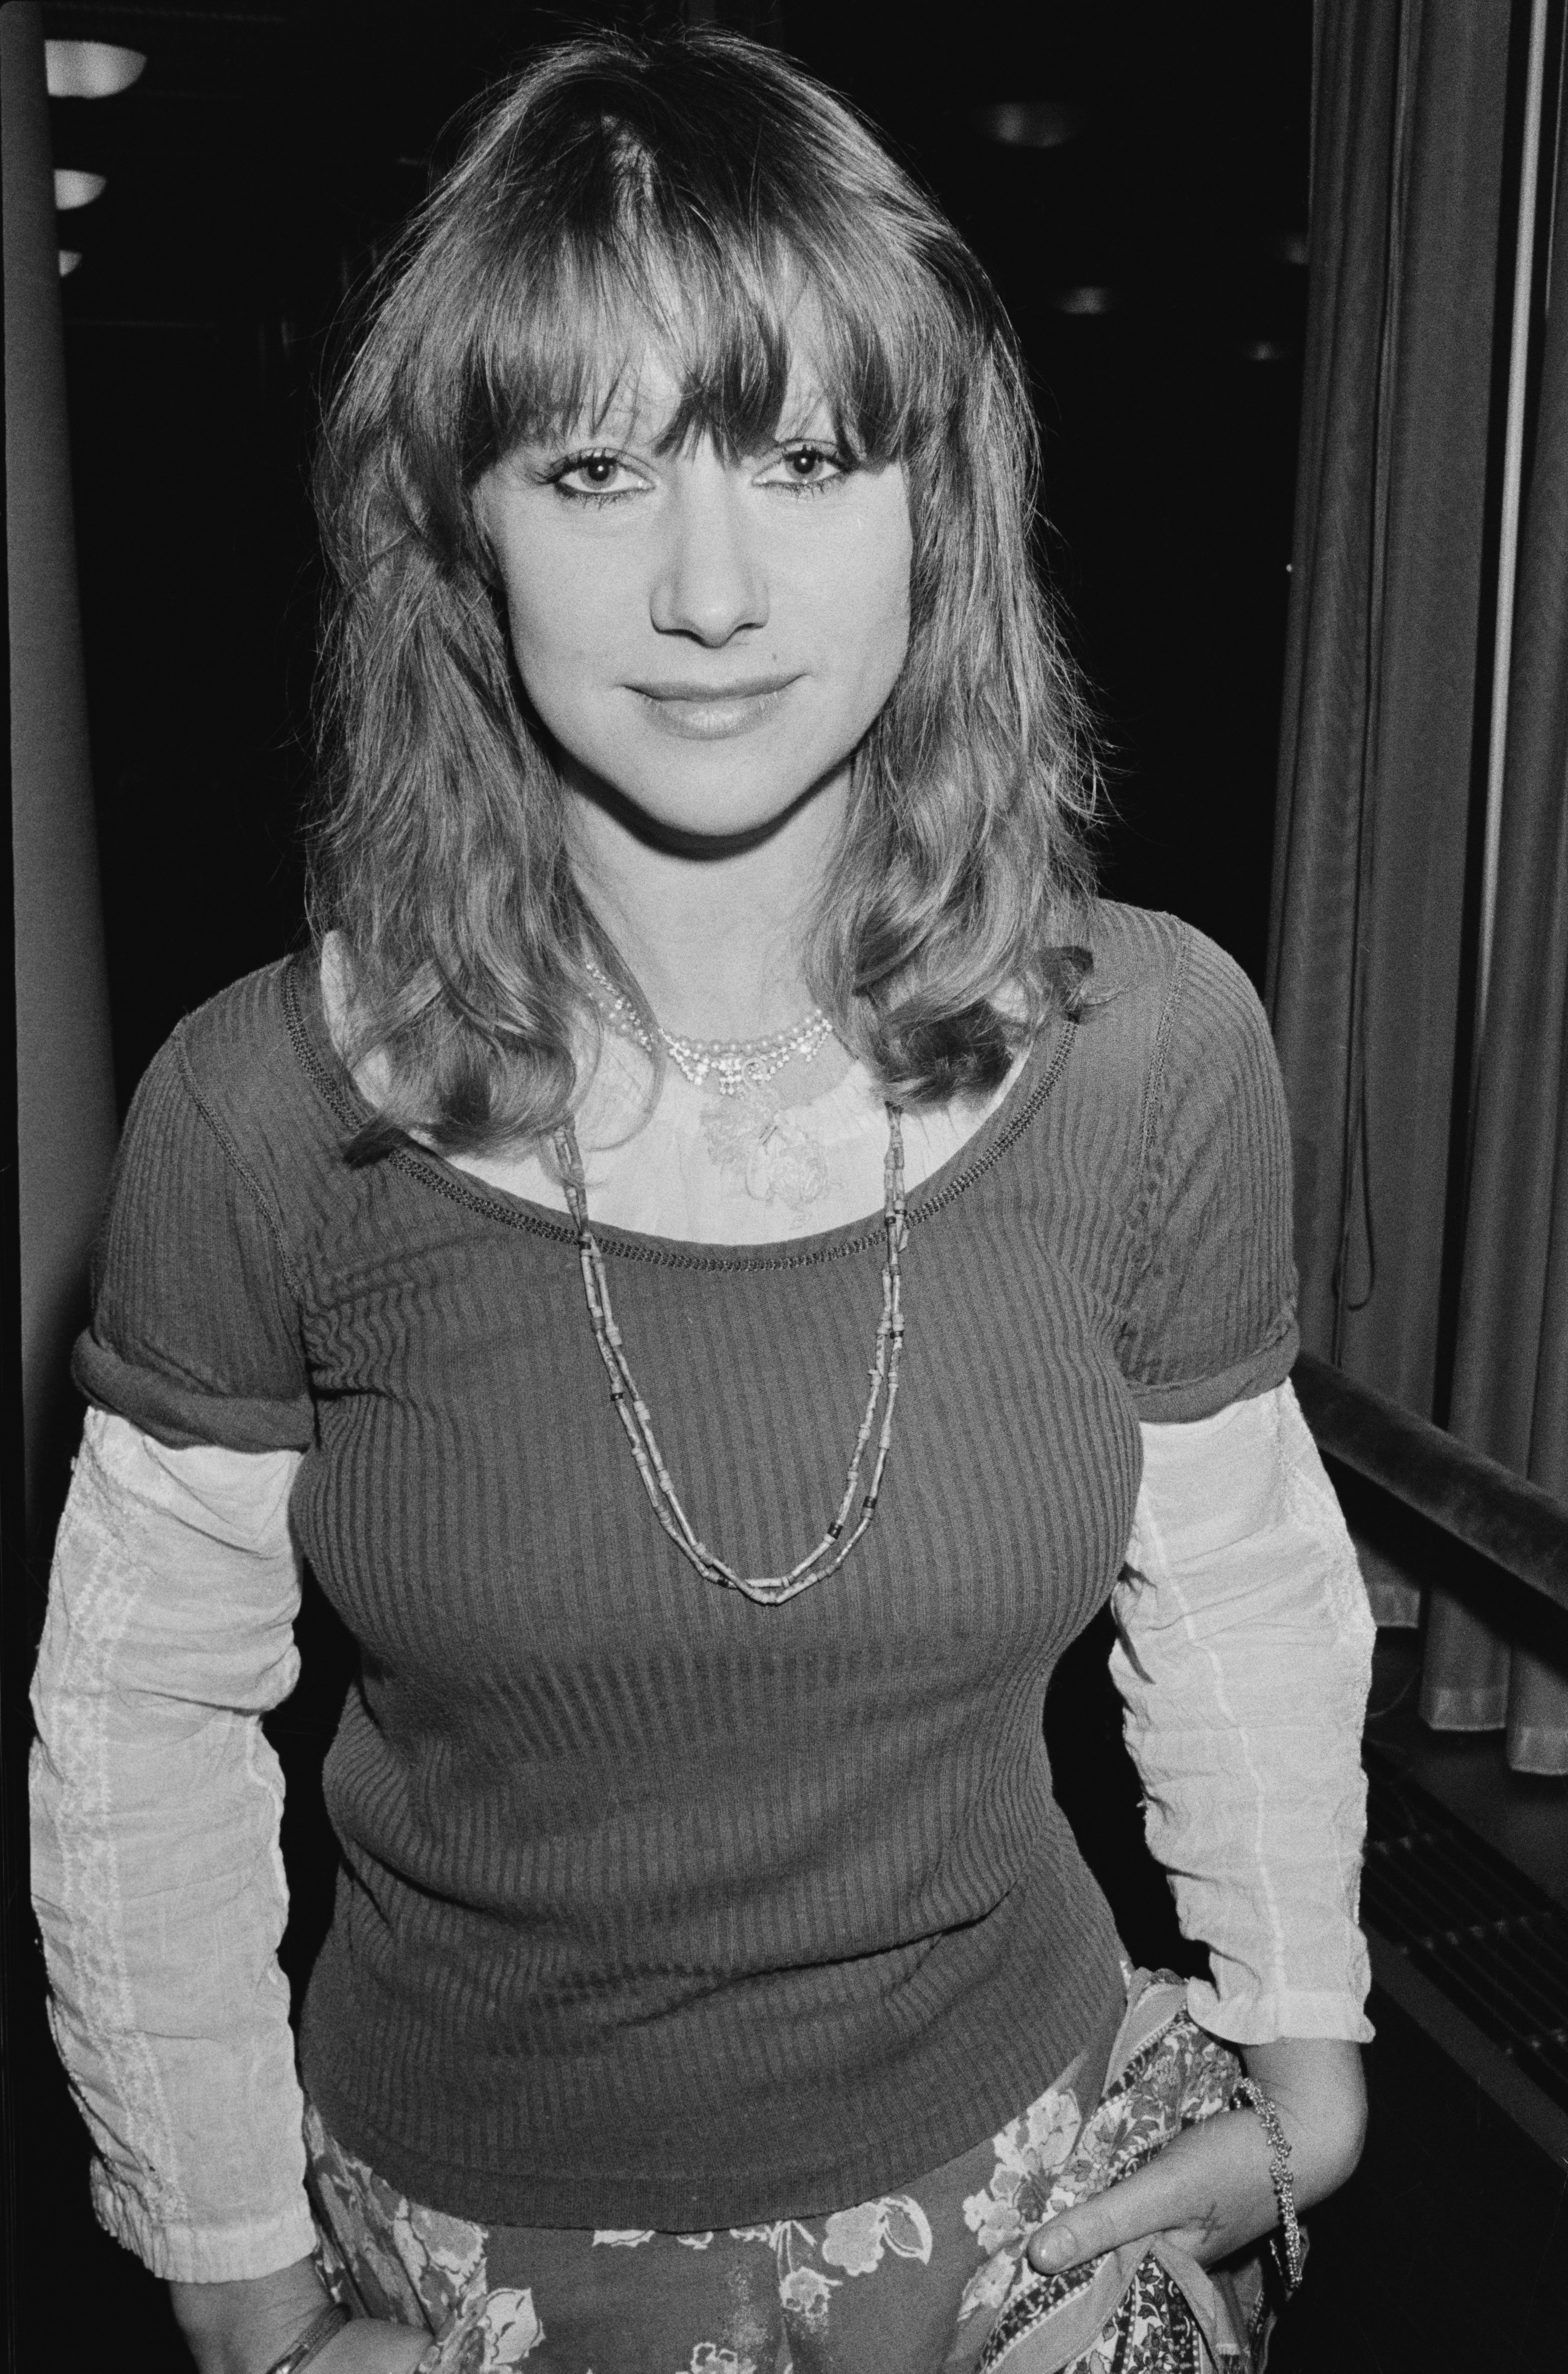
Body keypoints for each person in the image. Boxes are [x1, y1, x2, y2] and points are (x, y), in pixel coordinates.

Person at [29, 28, 1373, 2374]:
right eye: (596, 462)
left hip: (1043, 2193)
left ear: (931, 509)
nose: (714, 585)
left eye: (806, 454)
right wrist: (239, 2290)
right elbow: (141, 1716)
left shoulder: (1153, 1045)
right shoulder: (261, 1114)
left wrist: (1307, 2058)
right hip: (478, 2265)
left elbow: (1247, 1585)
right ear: (459, 530)